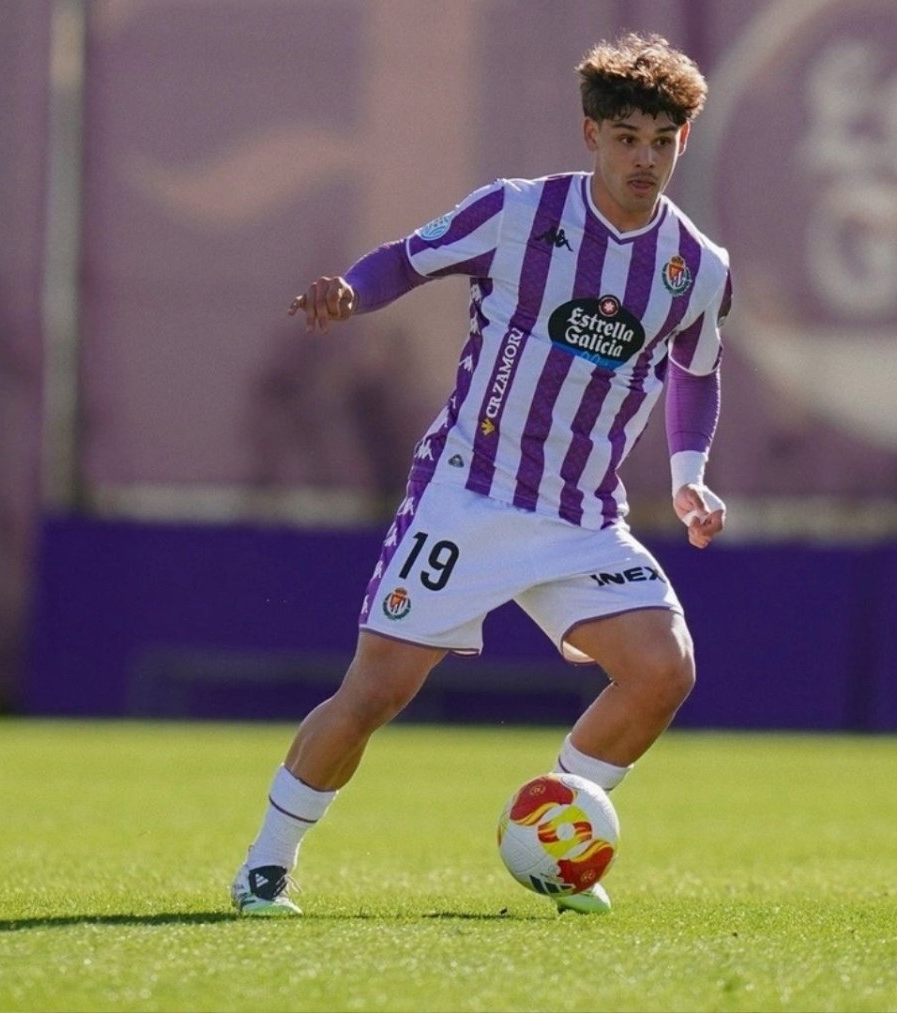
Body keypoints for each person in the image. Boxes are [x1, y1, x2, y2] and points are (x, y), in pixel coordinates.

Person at [230, 31, 732, 917]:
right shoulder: (518, 213)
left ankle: (554, 823)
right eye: (627, 138)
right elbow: (405, 258)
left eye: (662, 141)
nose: (644, 159)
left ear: (683, 141)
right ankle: (265, 864)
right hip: (469, 494)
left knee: (664, 668)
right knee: (375, 692)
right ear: (591, 134)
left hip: (581, 515)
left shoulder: (697, 266)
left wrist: (689, 474)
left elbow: (696, 369)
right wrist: (351, 291)